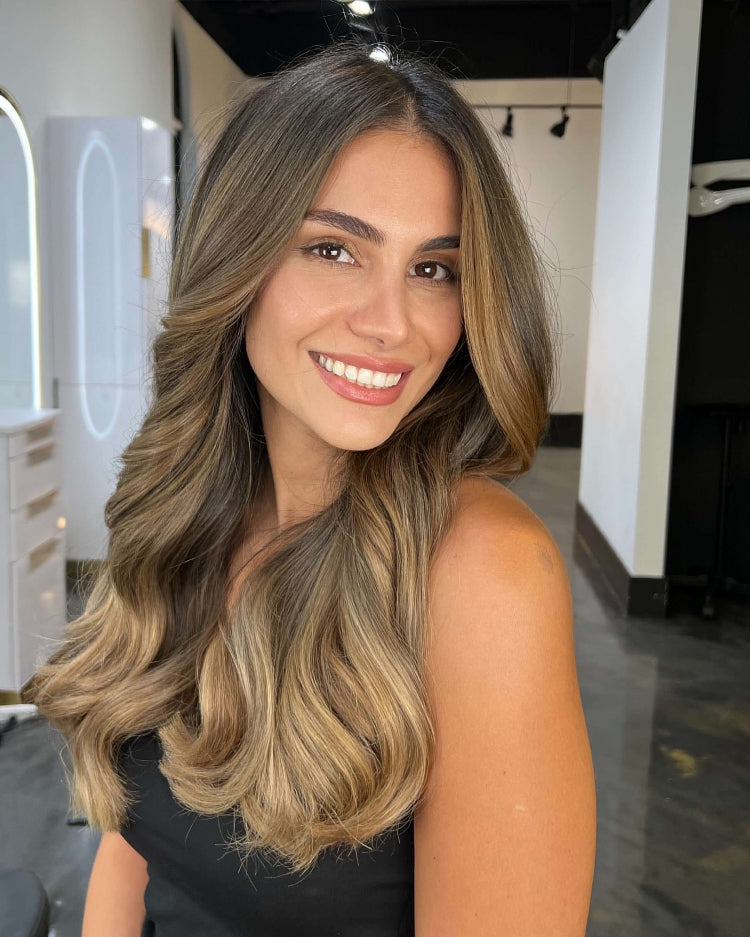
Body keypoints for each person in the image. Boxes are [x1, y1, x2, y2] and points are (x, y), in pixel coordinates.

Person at [22, 38, 597, 937]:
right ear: (236, 259)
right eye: (333, 249)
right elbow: (133, 846)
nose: (390, 323)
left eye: (434, 269)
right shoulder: (187, 508)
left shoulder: (484, 572)